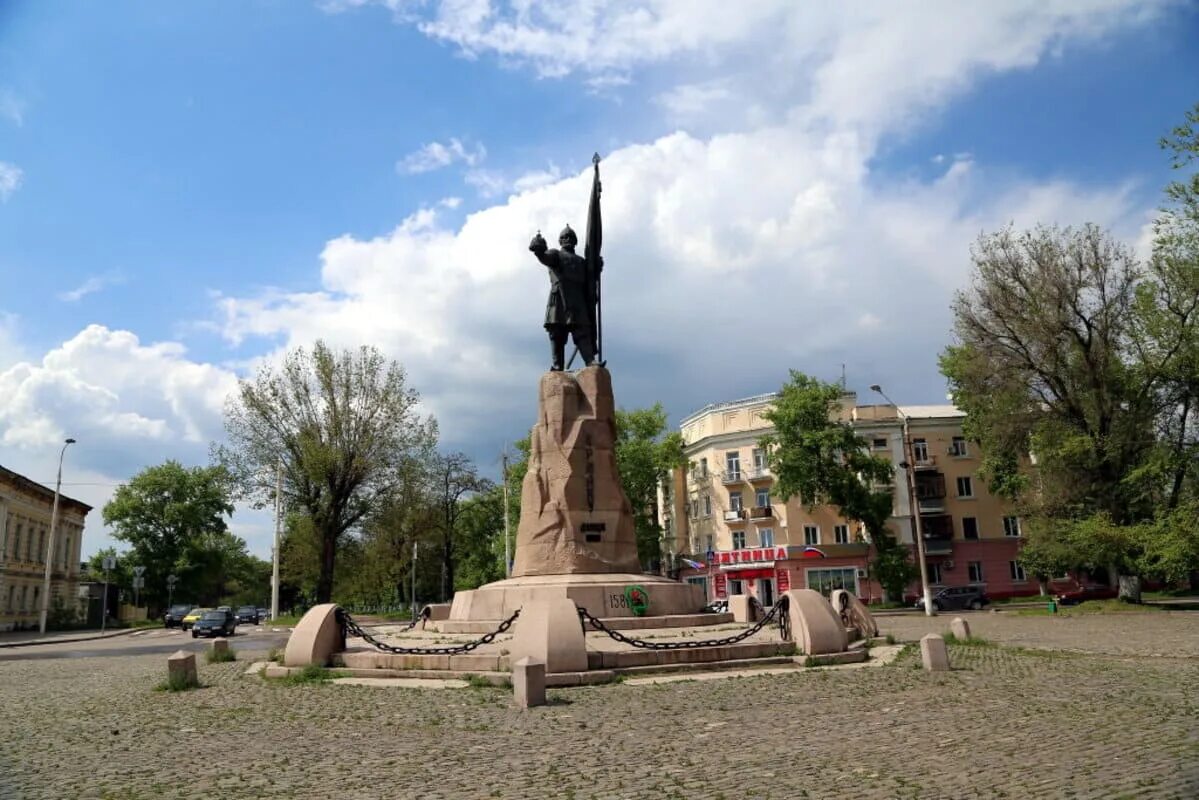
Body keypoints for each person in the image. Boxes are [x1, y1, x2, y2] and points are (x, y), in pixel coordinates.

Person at [529, 224, 599, 370]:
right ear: (559, 241)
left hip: (578, 301)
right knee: (557, 335)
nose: (567, 239)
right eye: (563, 237)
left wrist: (597, 267)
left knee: (583, 333)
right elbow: (545, 258)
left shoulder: (582, 262)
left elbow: (590, 280)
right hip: (559, 299)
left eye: (570, 237)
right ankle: (557, 366)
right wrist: (539, 251)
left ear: (575, 241)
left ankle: (590, 361)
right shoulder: (555, 254)